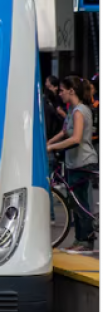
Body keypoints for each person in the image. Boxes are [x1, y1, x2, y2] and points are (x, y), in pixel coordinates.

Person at [48, 76, 99, 252]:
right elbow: (64, 132)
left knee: (81, 202)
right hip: (73, 162)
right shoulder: (71, 110)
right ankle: (79, 240)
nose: (59, 93)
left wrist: (52, 147)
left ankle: (85, 240)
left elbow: (76, 138)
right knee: (75, 202)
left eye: (62, 90)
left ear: (71, 91)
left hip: (83, 161)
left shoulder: (80, 111)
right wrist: (47, 143)